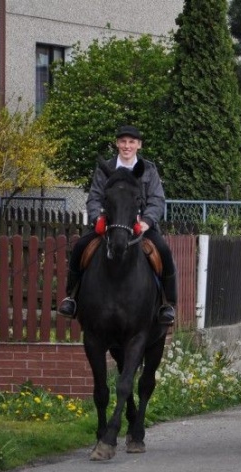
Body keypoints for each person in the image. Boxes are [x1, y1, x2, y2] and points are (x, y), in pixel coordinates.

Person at [58, 125, 177, 325]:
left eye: (131, 142)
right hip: (109, 226)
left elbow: (157, 200)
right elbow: (94, 198)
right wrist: (98, 219)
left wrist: (147, 221)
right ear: (117, 144)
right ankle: (71, 298)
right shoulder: (105, 169)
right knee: (80, 247)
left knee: (164, 251)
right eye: (123, 141)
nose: (127, 146)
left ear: (139, 145)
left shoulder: (149, 169)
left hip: (141, 227)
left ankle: (168, 304)